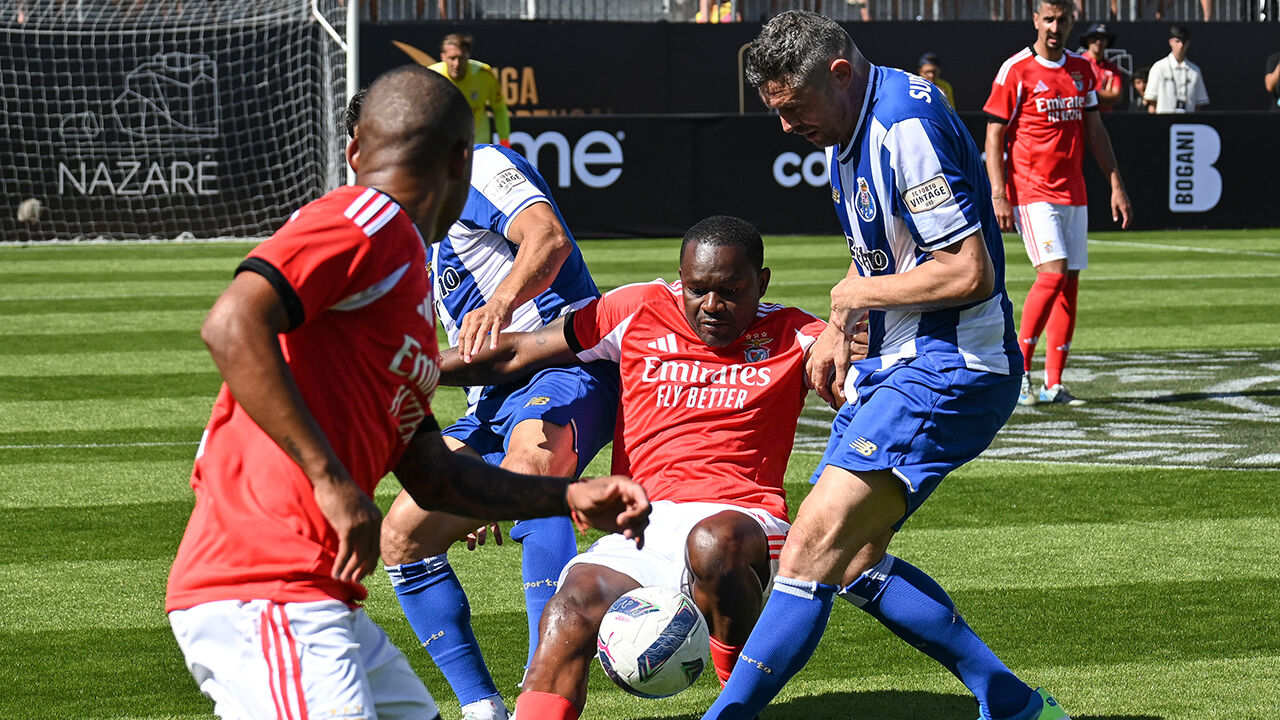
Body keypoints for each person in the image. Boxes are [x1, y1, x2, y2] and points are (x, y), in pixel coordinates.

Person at [163, 65, 649, 720]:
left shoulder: (408, 289)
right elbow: (231, 322)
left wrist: (568, 495)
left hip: (322, 600)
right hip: (265, 588)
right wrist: (331, 483)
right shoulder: (369, 218)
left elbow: (436, 478)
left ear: (353, 151)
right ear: (457, 159)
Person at [703, 11, 1069, 720]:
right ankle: (1018, 705)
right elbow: (884, 246)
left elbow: (969, 272)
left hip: (952, 365)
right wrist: (847, 323)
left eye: (793, 108)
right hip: (908, 362)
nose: (786, 127)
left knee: (811, 543)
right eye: (776, 112)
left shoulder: (905, 125)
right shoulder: (851, 122)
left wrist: (853, 297)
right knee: (855, 560)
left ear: (839, 72)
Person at [439, 216, 835, 720]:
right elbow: (520, 350)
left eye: (731, 292)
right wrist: (408, 371)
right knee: (570, 606)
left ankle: (736, 705)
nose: (711, 307)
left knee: (713, 543)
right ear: (679, 279)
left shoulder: (798, 335)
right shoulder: (636, 308)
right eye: (697, 290)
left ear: (763, 282)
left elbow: (860, 392)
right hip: (645, 526)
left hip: (743, 524)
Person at [377, 132, 621, 720]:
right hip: (490, 401)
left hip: (562, 365)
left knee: (530, 475)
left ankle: (546, 698)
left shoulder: (480, 166)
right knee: (403, 535)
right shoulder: (413, 228)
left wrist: (503, 301)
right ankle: (482, 708)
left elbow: (548, 237)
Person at [984, 0, 1133, 406]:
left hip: (1075, 191)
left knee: (1069, 285)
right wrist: (999, 192)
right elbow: (995, 133)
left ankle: (1054, 383)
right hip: (1032, 191)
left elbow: (1095, 129)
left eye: (1062, 19)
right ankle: (1019, 374)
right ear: (1035, 20)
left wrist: (1115, 183)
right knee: (1052, 274)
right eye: (1048, 19)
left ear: (1071, 22)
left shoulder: (1081, 69)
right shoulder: (1016, 69)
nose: (1054, 27)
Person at [430, 33, 511, 147]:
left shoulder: (483, 74)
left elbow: (499, 107)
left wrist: (505, 141)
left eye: (461, 58)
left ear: (468, 55)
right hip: (445, 144)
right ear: (443, 57)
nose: (457, 64)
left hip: (477, 143)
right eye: (452, 58)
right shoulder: (431, 76)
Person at [1144, 25, 1210, 114]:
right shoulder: (1159, 67)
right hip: (1163, 122)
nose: (1181, 45)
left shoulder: (1194, 71)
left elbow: (1198, 105)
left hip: (1188, 124)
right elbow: (1152, 104)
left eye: (1184, 42)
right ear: (1170, 42)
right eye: (1177, 41)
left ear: (1188, 43)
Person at [1078, 23, 1122, 112]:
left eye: (1102, 38)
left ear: (1107, 41)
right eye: (1094, 38)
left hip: (1106, 118)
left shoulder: (1112, 68)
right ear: (1088, 40)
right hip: (1082, 118)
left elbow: (1117, 97)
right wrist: (1105, 95)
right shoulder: (1078, 64)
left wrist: (1090, 94)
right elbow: (1076, 95)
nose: (1098, 42)